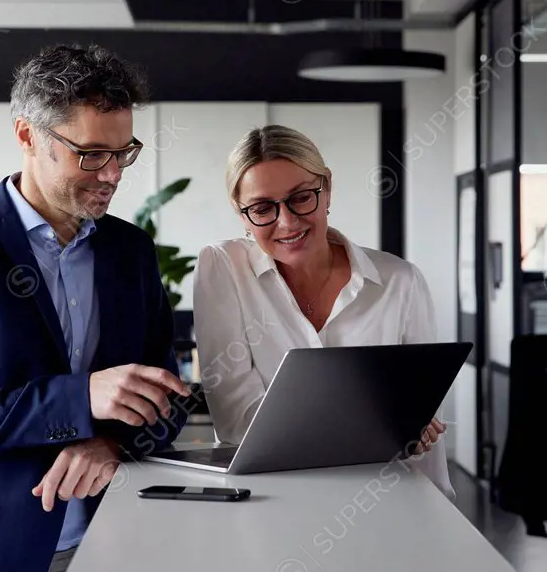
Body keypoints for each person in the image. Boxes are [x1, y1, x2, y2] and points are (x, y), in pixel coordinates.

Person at [0, 44, 191, 572]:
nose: (113, 174)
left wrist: (111, 443)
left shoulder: (130, 251)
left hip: (106, 543)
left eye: (123, 153)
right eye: (91, 154)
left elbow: (168, 396)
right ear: (28, 135)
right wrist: (79, 400)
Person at [192, 124, 455, 499]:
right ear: (241, 212)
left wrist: (434, 501)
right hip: (270, 501)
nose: (287, 222)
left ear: (326, 188)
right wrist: (380, 432)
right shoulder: (223, 268)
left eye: (301, 197)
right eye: (263, 208)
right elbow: (239, 425)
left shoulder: (400, 281)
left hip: (385, 500)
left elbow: (424, 425)